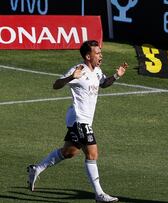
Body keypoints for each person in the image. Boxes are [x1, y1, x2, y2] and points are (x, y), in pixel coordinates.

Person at [27, 40, 128, 203]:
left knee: (69, 152)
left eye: (100, 52)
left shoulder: (97, 71)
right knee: (92, 153)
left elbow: (103, 83)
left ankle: (36, 169)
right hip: (79, 120)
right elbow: (56, 85)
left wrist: (117, 75)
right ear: (88, 56)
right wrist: (70, 78)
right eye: (97, 53)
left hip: (83, 120)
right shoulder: (78, 70)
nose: (100, 55)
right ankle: (99, 194)